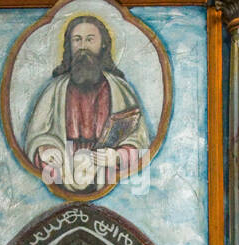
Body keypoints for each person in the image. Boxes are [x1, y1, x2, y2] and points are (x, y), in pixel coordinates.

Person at [24, 14, 150, 192]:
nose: (83, 46)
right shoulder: (54, 90)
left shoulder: (121, 90)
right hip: (64, 169)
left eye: (90, 40)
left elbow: (139, 140)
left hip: (107, 171)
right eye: (77, 40)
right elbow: (37, 136)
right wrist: (46, 150)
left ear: (103, 44)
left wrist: (118, 156)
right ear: (70, 45)